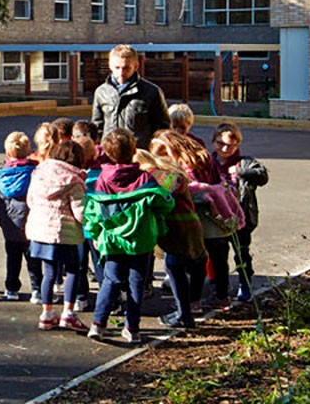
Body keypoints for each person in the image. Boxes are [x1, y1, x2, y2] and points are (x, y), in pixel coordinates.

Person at [81, 126, 173, 343]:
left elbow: (93, 209)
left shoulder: (103, 179)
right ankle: (132, 327)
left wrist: (95, 232)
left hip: (112, 238)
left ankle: (98, 323)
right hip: (140, 238)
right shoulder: (144, 178)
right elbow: (163, 203)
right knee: (136, 281)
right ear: (134, 151)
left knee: (110, 279)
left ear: (108, 153)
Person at [140, 135, 213, 329]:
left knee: (175, 268)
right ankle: (189, 306)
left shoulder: (169, 174)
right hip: (188, 225)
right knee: (193, 262)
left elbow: (171, 187)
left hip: (179, 227)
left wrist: (149, 170)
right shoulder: (174, 172)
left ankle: (184, 313)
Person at [24, 135, 90, 330]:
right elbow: (80, 212)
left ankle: (47, 313)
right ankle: (68, 313)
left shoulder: (39, 174)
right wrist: (93, 225)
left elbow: (30, 201)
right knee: (73, 271)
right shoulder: (74, 181)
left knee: (49, 273)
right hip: (65, 233)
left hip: (40, 231)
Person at [211, 122, 268, 302]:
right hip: (216, 216)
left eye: (230, 145)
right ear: (213, 142)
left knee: (241, 251)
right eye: (220, 144)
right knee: (217, 254)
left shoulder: (244, 162)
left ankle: (245, 283)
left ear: (237, 145)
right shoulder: (208, 161)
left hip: (239, 216)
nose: (224, 149)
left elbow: (262, 176)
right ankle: (220, 285)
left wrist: (241, 172)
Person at [0, 130, 39, 300]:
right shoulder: (35, 173)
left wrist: (0, 219)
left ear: (8, 153)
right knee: (33, 259)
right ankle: (37, 289)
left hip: (9, 224)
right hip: (31, 222)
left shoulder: (0, 175)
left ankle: (11, 288)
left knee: (12, 257)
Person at [90, 45, 169, 149]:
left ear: (136, 66)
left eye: (126, 68)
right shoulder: (101, 92)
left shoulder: (151, 92)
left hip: (139, 154)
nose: (121, 73)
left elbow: (162, 128)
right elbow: (97, 126)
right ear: (110, 65)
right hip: (109, 153)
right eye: (117, 68)